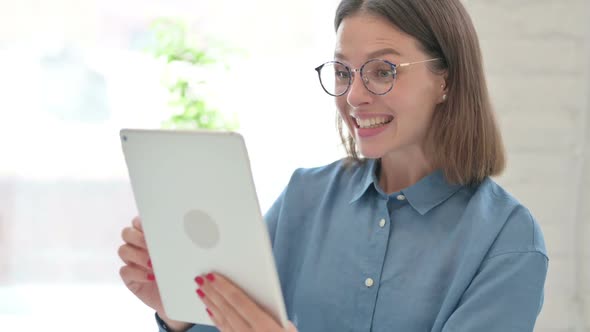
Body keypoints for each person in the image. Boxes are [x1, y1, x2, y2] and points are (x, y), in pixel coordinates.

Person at [118, 0, 549, 331]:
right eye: (343, 71)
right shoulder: (303, 199)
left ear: (446, 79)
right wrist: (180, 315)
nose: (355, 96)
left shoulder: (506, 240)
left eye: (382, 71)